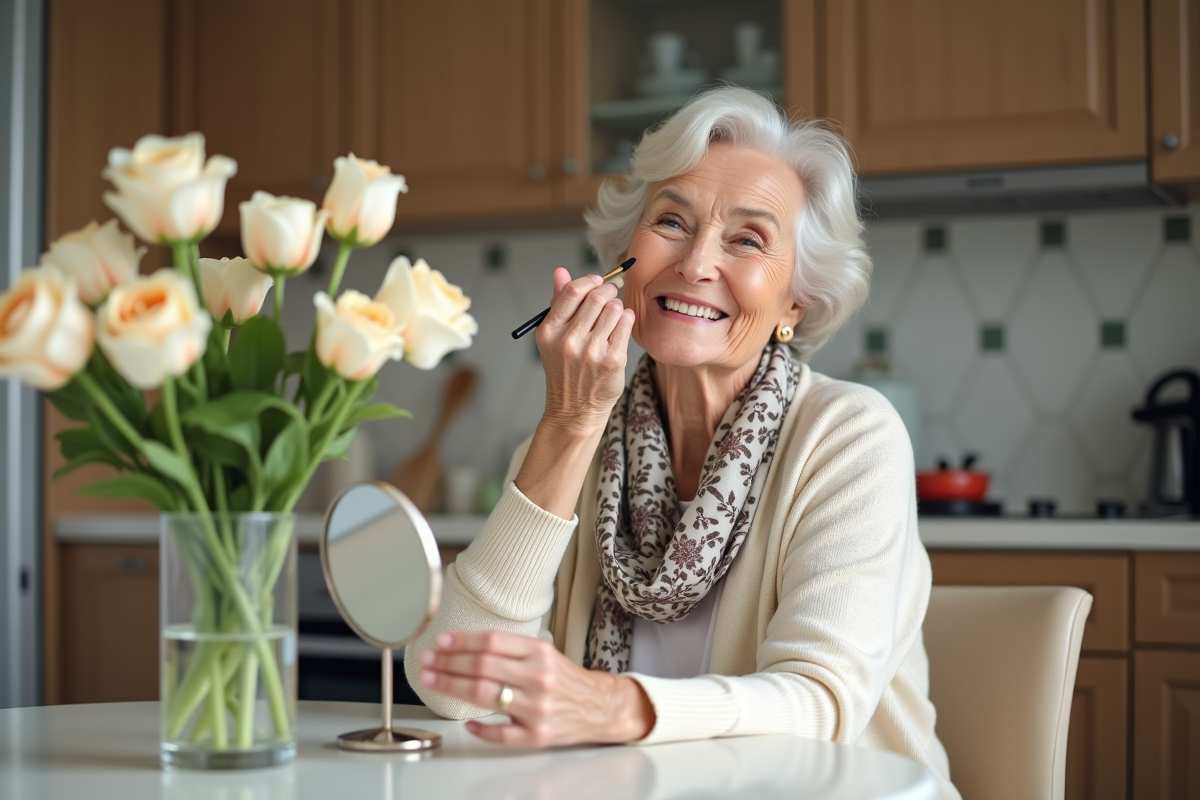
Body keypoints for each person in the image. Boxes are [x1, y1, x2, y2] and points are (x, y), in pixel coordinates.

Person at [404, 86, 960, 800]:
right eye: (671, 221)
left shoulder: (850, 436)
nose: (697, 263)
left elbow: (820, 707)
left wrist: (615, 707)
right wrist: (569, 425)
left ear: (795, 302)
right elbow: (451, 688)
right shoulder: (574, 436)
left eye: (747, 239)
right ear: (624, 258)